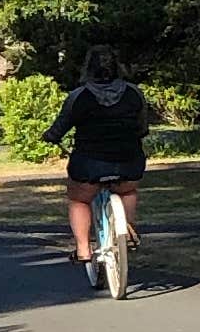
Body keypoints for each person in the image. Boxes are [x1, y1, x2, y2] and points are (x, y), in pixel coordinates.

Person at [51, 45, 148, 284]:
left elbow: (59, 128)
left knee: (79, 199)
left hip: (90, 163)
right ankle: (126, 230)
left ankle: (83, 249)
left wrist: (50, 136)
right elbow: (142, 127)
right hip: (128, 161)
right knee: (128, 190)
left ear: (88, 69)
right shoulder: (134, 94)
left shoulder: (79, 97)